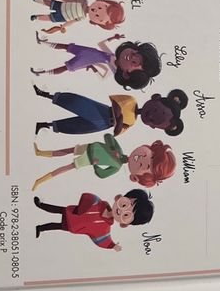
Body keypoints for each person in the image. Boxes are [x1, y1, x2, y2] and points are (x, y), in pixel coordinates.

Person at [32, 135, 176, 190]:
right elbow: (107, 137)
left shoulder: (117, 167)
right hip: (90, 146)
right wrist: (112, 146)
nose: (143, 159)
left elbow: (102, 174)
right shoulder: (119, 151)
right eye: (151, 155)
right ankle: (41, 153)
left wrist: (95, 164)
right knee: (66, 151)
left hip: (88, 159)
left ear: (135, 177)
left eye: (146, 166)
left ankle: (40, 180)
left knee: (66, 167)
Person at [33, 85, 188, 136]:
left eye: (154, 121)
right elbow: (114, 101)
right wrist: (119, 118)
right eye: (155, 111)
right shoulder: (131, 101)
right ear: (155, 98)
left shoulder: (132, 122)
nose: (151, 116)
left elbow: (116, 132)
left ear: (152, 126)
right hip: (100, 111)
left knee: (73, 127)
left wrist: (119, 122)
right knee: (74, 102)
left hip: (101, 125)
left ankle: (45, 125)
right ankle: (45, 94)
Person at [30, 32, 161, 90]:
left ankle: (42, 72)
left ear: (127, 74)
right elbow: (101, 44)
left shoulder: (114, 69)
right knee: (67, 47)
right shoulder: (112, 56)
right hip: (88, 52)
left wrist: (93, 68)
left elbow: (103, 75)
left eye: (134, 63)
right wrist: (113, 38)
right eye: (134, 54)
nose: (131, 57)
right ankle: (43, 42)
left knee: (66, 67)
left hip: (86, 60)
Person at [34, 190, 154, 250]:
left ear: (124, 224)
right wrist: (81, 209)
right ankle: (41, 205)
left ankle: (40, 228)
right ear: (118, 198)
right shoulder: (99, 203)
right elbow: (87, 196)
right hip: (71, 212)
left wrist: (113, 246)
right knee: (56, 209)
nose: (121, 211)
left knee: (56, 226)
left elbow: (103, 241)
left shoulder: (104, 229)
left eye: (126, 215)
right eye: (124, 205)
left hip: (74, 226)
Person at [31, 0, 125, 33]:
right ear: (101, 1)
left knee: (49, 18)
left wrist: (64, 26)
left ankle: (36, 17)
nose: (95, 11)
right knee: (48, 3)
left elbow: (72, 21)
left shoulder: (82, 17)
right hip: (61, 5)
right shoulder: (83, 1)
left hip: (63, 17)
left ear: (95, 22)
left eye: (97, 16)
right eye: (100, 7)